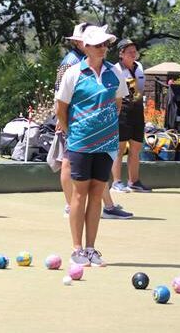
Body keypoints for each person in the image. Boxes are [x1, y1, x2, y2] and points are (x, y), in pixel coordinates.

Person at [56, 26, 129, 267]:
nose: (103, 48)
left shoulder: (114, 73)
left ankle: (91, 249)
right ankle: (76, 249)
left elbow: (117, 104)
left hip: (106, 145)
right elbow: (61, 109)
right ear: (86, 47)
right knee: (79, 194)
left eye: (106, 44)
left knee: (97, 195)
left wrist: (104, 129)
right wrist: (74, 133)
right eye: (98, 45)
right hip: (80, 144)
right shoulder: (73, 73)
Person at [110, 39, 150, 192]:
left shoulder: (139, 67)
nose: (134, 55)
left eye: (135, 51)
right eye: (130, 52)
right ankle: (117, 182)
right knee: (119, 148)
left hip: (138, 109)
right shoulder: (115, 69)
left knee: (136, 147)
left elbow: (140, 90)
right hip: (122, 110)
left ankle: (134, 182)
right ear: (121, 54)